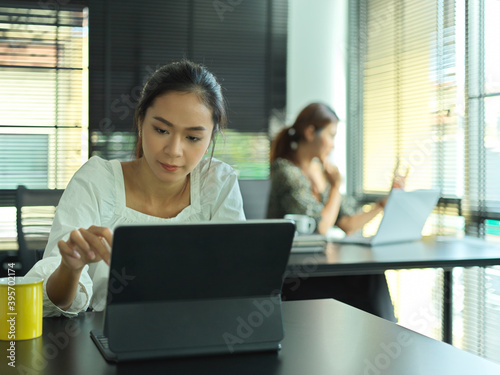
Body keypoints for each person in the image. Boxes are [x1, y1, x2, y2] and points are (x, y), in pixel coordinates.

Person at [26, 59, 245, 318]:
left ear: (210, 139)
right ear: (141, 121)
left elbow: (238, 281)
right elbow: (53, 302)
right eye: (161, 130)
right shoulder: (97, 180)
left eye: (193, 138)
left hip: (198, 338)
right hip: (110, 343)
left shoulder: (217, 181)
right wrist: (70, 270)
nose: (174, 150)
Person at [267, 102, 404, 321]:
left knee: (370, 274)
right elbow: (320, 227)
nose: (333, 144)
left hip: (320, 265)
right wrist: (336, 187)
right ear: (311, 132)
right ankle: (387, 331)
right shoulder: (286, 172)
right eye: (331, 135)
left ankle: (386, 330)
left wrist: (382, 204)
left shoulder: (322, 171)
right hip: (295, 273)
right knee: (367, 281)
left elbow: (347, 223)